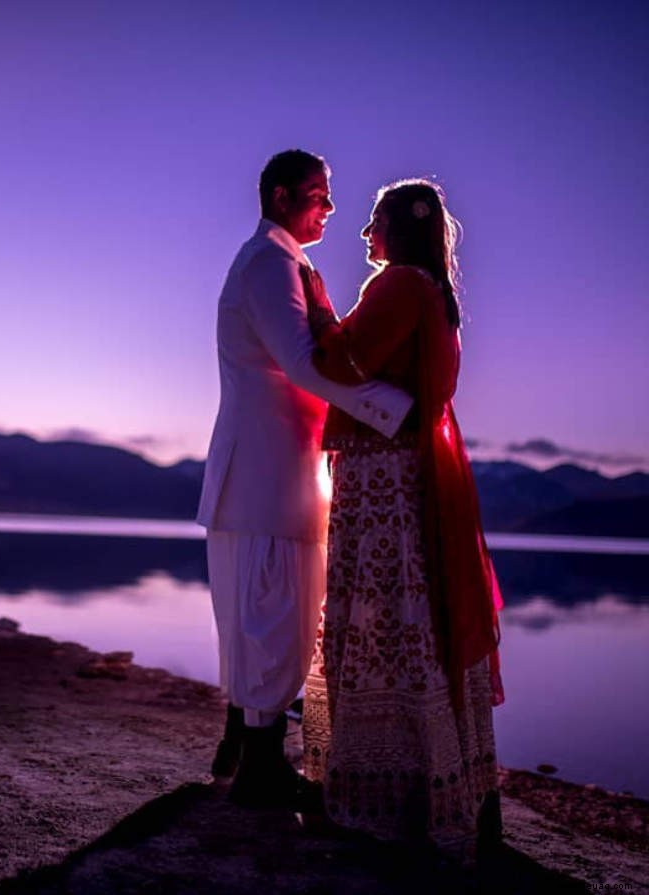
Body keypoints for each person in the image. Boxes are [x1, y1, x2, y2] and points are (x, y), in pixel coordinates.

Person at [196, 149, 413, 809]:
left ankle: (248, 746)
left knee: (271, 615)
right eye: (320, 194)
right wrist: (393, 411)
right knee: (272, 613)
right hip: (264, 472)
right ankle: (260, 767)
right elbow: (300, 361)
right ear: (283, 195)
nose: (331, 208)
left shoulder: (286, 263)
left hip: (278, 471)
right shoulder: (269, 263)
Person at [299, 178, 504, 860]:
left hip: (382, 471)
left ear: (398, 227)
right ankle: (446, 778)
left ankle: (378, 796)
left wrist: (320, 311)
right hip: (413, 468)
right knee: (414, 616)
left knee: (380, 615)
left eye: (373, 221)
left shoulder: (399, 287)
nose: (364, 235)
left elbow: (337, 358)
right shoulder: (437, 295)